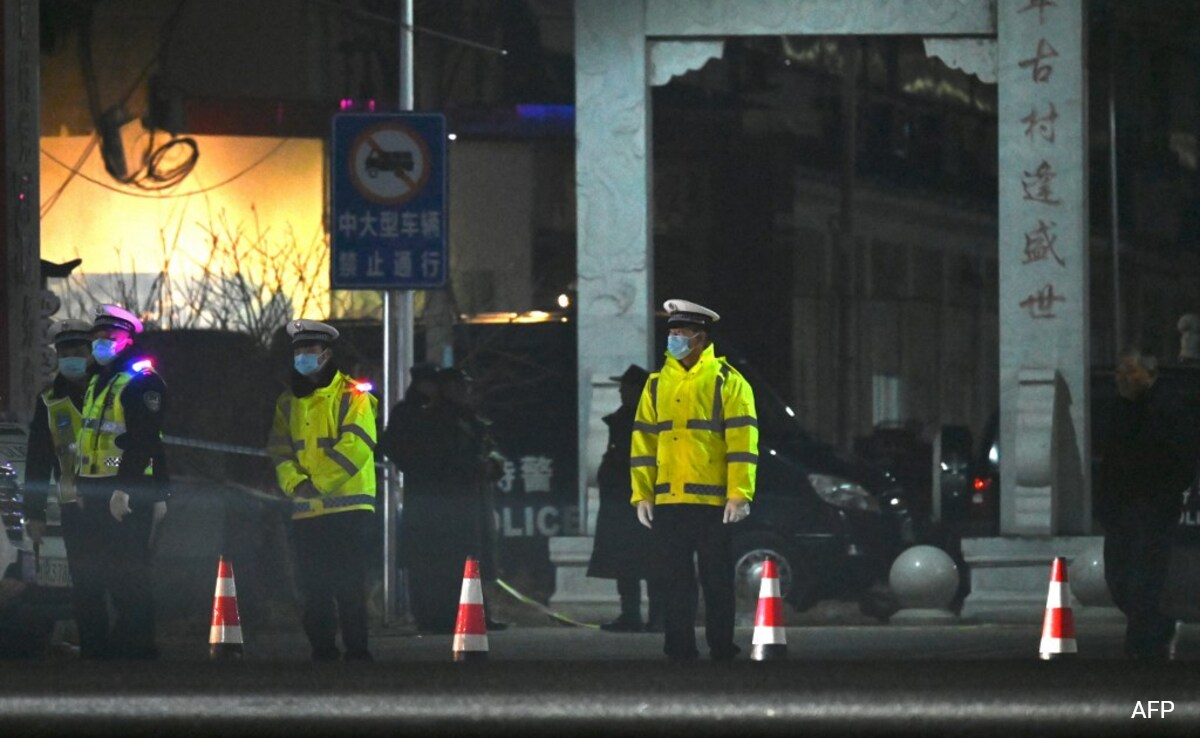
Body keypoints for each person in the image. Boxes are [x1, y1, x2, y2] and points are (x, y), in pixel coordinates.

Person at [631, 299, 758, 661]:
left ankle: (721, 644)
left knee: (716, 578)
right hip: (669, 501)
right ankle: (679, 645)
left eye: (679, 333)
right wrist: (642, 493)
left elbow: (743, 443)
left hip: (713, 503)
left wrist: (739, 494)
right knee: (675, 580)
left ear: (700, 337)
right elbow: (643, 442)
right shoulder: (656, 385)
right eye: (670, 333)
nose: (672, 339)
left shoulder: (727, 382)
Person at [267, 320, 378, 661]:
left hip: (348, 509)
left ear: (327, 354)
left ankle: (357, 650)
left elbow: (356, 445)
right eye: (298, 350)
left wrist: (315, 485)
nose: (302, 356)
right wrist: (295, 484)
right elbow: (280, 449)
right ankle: (323, 650)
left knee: (349, 586)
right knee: (313, 587)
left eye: (309, 350)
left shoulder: (353, 395)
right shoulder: (288, 401)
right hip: (307, 510)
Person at [74, 304, 170, 660]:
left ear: (128, 339)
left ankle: (140, 645)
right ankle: (124, 643)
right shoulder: (99, 381)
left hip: (127, 492)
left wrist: (124, 488)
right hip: (97, 490)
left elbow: (144, 440)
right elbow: (91, 439)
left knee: (131, 573)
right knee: (107, 572)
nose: (100, 344)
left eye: (108, 337)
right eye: (97, 338)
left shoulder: (142, 381)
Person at [383, 366, 504, 632]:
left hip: (469, 497)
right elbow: (410, 451)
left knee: (469, 557)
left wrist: (492, 464)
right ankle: (435, 616)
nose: (463, 391)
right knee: (435, 561)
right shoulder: (422, 415)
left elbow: (489, 446)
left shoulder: (468, 416)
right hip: (435, 498)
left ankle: (474, 612)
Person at [1097, 348, 1196, 659]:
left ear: (1149, 375)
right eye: (1120, 373)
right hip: (1122, 506)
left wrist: (1166, 491)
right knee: (1119, 573)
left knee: (1144, 574)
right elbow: (1109, 459)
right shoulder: (1120, 409)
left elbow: (1183, 455)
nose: (1122, 379)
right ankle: (1150, 627)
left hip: (1152, 504)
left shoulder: (1168, 408)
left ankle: (1143, 638)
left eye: (1130, 372)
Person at [587, 363, 664, 632]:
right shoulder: (623, 419)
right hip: (621, 501)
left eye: (625, 387)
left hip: (642, 501)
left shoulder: (649, 422)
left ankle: (658, 616)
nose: (620, 391)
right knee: (626, 561)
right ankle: (631, 614)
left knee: (652, 561)